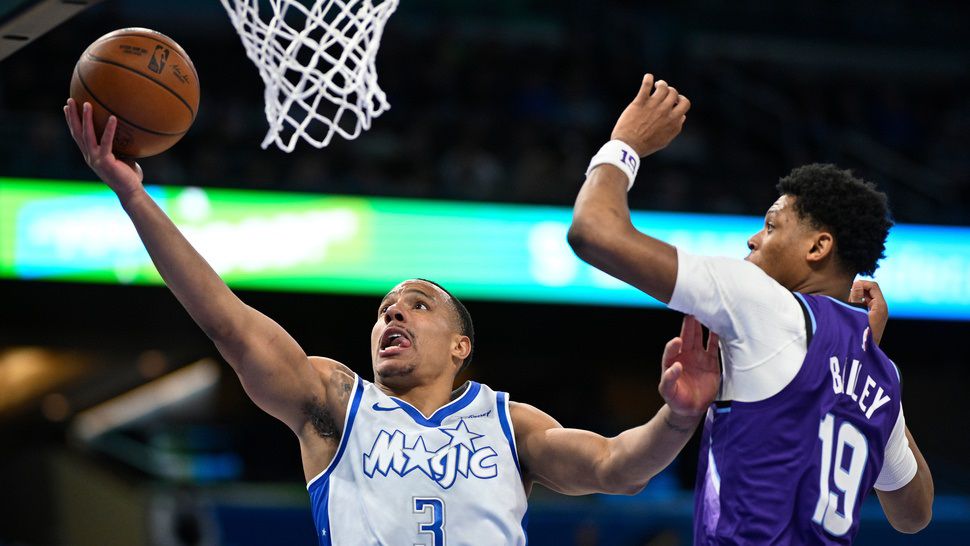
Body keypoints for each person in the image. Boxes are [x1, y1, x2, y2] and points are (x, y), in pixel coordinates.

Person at [64, 97, 720, 545]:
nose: (392, 313)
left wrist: (681, 415)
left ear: (461, 345)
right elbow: (229, 323)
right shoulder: (332, 402)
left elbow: (617, 467)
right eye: (383, 311)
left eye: (416, 304)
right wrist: (133, 197)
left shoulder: (509, 425)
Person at [568, 74, 934, 543]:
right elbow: (914, 513)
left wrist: (624, 145)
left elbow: (593, 232)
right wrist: (861, 356)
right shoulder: (881, 375)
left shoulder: (758, 300)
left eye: (771, 225)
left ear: (819, 246)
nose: (754, 239)